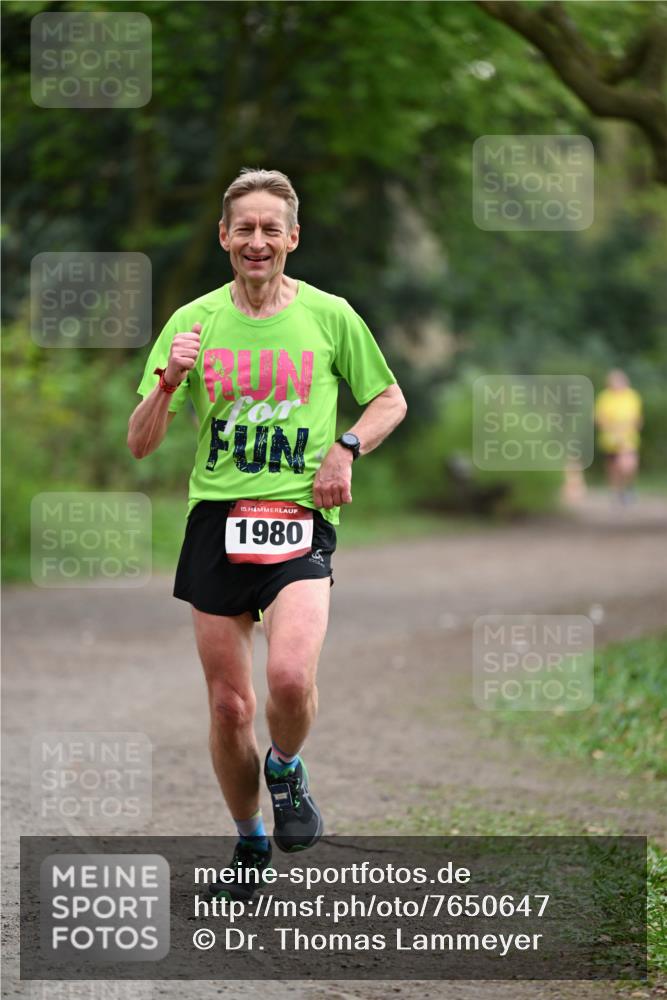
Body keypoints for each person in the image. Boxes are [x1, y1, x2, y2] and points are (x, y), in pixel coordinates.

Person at [128, 168, 407, 899]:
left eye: (270, 228)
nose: (257, 241)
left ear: (292, 237)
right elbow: (140, 443)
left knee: (287, 677)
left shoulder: (328, 315)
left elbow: (388, 397)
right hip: (216, 522)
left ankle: (284, 766)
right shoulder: (192, 322)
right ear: (224, 236)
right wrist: (165, 384)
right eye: (243, 228)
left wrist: (345, 447)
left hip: (299, 518)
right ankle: (250, 845)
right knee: (229, 705)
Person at [594, 370, 642, 504]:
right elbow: (599, 418)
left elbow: (637, 417)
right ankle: (617, 492)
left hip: (628, 437)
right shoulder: (604, 397)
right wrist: (612, 430)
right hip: (609, 439)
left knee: (628, 465)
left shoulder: (632, 396)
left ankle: (629, 488)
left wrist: (627, 429)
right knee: (613, 468)